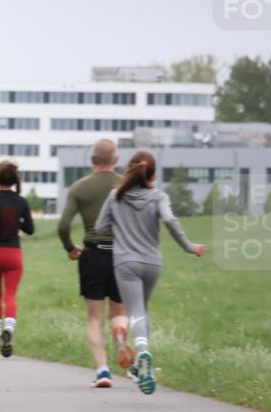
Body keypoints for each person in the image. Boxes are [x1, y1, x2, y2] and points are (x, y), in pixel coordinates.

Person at [94, 150, 205, 395]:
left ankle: (142, 352)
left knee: (135, 311)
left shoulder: (115, 196)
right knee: (141, 310)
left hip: (125, 262)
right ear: (152, 174)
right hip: (152, 263)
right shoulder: (158, 197)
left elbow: (100, 227)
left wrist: (121, 224)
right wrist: (189, 246)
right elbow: (170, 221)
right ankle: (142, 365)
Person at [57, 139, 132, 388]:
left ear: (92, 160)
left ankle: (102, 371)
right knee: (119, 313)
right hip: (122, 254)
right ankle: (121, 337)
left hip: (93, 255)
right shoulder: (127, 186)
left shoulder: (80, 188)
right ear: (116, 160)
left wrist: (70, 248)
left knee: (94, 318)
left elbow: (64, 225)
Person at [0, 161, 34, 358]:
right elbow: (30, 229)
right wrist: (16, 218)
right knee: (10, 295)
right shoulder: (21, 202)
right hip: (13, 255)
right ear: (15, 180)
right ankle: (8, 329)